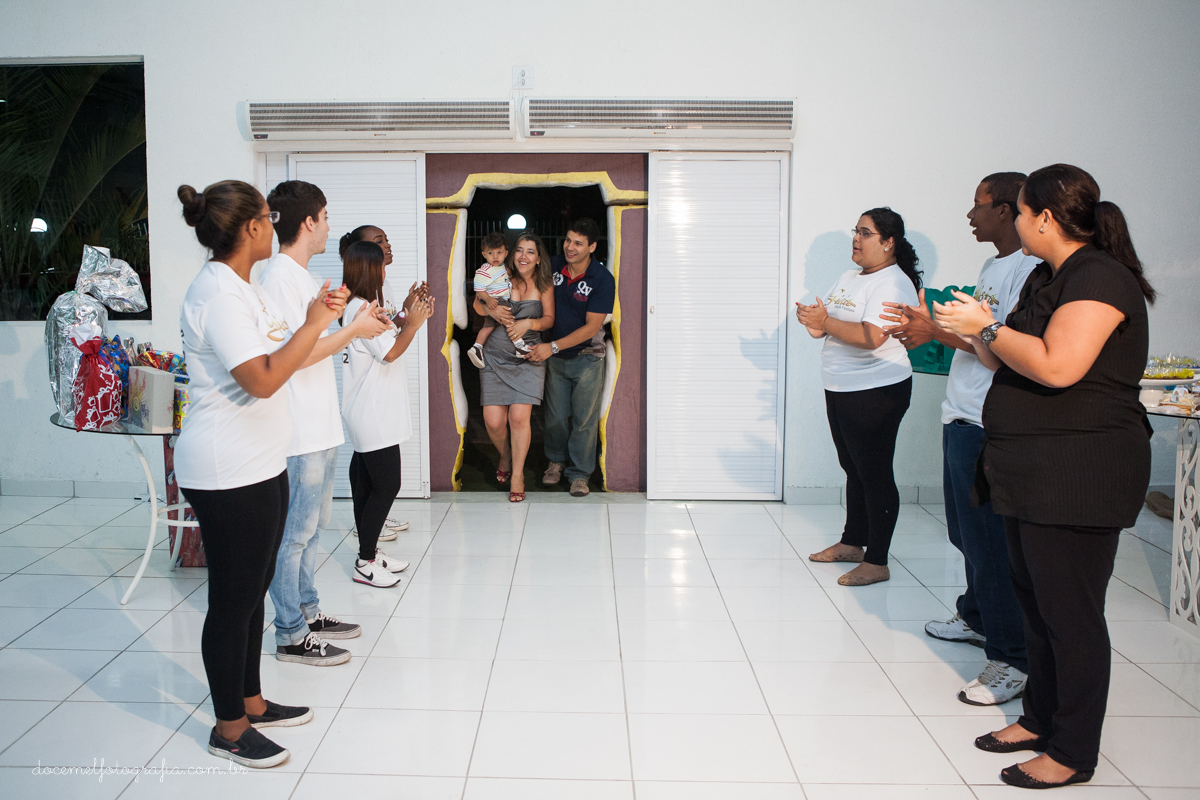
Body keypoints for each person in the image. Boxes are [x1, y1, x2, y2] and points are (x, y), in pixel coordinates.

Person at [933, 164, 1154, 790]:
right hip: (1031, 471)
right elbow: (1004, 353)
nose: (1017, 223)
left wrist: (990, 327)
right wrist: (974, 328)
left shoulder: (1100, 279)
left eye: (1022, 213)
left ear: (1045, 218)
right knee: (1035, 605)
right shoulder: (1047, 276)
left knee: (1071, 617)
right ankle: (1038, 718)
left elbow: (1058, 367)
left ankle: (1073, 750)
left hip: (1079, 474)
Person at [175, 180, 345, 768]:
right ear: (251, 228)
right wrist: (314, 324)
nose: (276, 226)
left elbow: (281, 354)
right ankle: (229, 728)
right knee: (233, 600)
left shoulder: (240, 288)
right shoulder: (218, 294)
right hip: (227, 469)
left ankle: (251, 700)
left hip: (260, 462)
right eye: (269, 219)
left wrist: (315, 320)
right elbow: (265, 378)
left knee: (250, 597)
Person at [881, 173, 1038, 705]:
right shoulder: (996, 265)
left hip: (989, 420)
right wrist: (939, 328)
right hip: (962, 413)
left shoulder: (1031, 270)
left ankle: (1011, 658)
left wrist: (934, 332)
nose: (970, 217)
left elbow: (1003, 345)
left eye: (978, 207)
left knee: (991, 545)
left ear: (1007, 210)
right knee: (965, 536)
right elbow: (977, 336)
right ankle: (976, 616)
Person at [260, 181, 391, 667]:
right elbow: (292, 356)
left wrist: (336, 316)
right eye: (326, 216)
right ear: (308, 222)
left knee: (312, 531)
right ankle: (291, 633)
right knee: (293, 535)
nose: (331, 225)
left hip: (319, 422)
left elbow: (310, 340)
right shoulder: (278, 278)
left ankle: (309, 613)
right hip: (297, 428)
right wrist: (353, 329)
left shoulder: (299, 278)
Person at [797, 207, 921, 586]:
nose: (856, 238)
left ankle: (877, 560)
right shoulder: (850, 276)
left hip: (877, 390)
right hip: (841, 386)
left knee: (875, 472)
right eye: (856, 230)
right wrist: (815, 320)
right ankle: (854, 542)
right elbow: (827, 329)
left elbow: (871, 338)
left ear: (888, 243)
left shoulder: (892, 283)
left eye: (865, 233)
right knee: (854, 467)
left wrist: (825, 322)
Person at [340, 240, 433, 586]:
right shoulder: (361, 309)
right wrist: (415, 323)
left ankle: (370, 553)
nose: (384, 271)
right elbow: (390, 351)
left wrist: (407, 310)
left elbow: (387, 332)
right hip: (371, 412)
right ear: (369, 269)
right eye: (380, 265)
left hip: (371, 410)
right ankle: (365, 562)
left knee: (365, 484)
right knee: (387, 485)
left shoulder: (363, 306)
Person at [525, 218, 615, 498]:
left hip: (587, 357)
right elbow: (521, 270)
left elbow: (591, 328)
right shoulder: (552, 266)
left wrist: (551, 347)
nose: (570, 247)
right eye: (567, 240)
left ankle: (580, 474)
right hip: (556, 356)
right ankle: (555, 464)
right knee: (554, 417)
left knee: (584, 419)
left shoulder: (602, 279)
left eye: (578, 243)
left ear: (592, 247)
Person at [472, 232, 556, 502]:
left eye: (530, 251)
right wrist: (491, 309)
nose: (523, 256)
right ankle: (505, 455)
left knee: (519, 418)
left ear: (539, 258)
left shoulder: (544, 284)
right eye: (519, 250)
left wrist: (529, 324)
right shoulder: (500, 274)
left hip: (527, 357)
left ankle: (517, 474)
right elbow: (477, 302)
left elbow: (549, 319)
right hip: (495, 356)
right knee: (493, 422)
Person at [468, 232, 532, 368]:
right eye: (490, 253)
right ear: (484, 254)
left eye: (499, 252)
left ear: (506, 253)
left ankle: (477, 347)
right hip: (496, 300)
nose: (495, 257)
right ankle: (519, 345)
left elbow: (505, 275)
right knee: (509, 320)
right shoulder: (484, 270)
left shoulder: (501, 267)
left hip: (497, 299)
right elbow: (478, 289)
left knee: (488, 327)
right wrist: (488, 299)